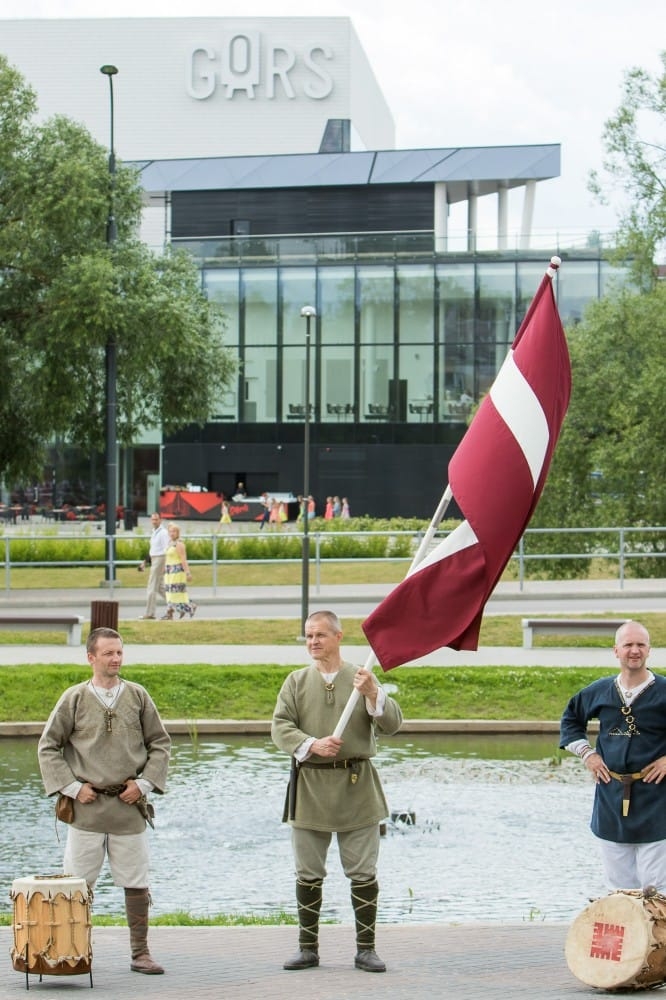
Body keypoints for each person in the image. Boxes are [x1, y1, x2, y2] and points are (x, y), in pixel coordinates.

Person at [271, 610, 402, 974]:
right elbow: (280, 727)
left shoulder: (361, 679)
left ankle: (366, 949)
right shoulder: (296, 682)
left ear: (338, 637)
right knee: (308, 872)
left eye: (320, 635)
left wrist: (374, 694)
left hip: (356, 787)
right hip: (310, 787)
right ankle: (307, 948)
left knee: (363, 872)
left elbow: (392, 724)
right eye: (308, 636)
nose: (313, 642)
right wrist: (311, 744)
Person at [37, 627, 171, 976]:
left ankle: (140, 953)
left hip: (128, 807)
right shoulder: (75, 698)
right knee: (76, 885)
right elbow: (48, 746)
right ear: (91, 657)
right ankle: (71, 952)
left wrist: (143, 784)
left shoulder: (138, 696)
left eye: (119, 653)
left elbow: (160, 743)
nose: (115, 659)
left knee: (137, 881)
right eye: (108, 653)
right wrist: (70, 787)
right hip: (87, 809)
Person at [560, 620, 666, 892]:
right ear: (615, 651)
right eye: (628, 645)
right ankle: (627, 935)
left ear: (649, 650)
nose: (634, 650)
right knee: (618, 891)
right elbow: (570, 719)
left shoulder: (663, 691)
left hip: (657, 800)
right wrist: (588, 755)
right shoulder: (600, 691)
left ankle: (657, 936)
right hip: (611, 797)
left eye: (640, 645)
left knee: (656, 890)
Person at [138, 512, 169, 620]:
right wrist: (144, 562)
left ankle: (150, 613)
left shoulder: (163, 533)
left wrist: (165, 565)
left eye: (156, 519)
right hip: (155, 558)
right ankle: (178, 604)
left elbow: (167, 549)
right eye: (152, 520)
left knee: (151, 587)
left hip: (160, 559)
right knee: (161, 588)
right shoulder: (154, 532)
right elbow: (153, 550)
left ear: (160, 520)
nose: (154, 521)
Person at [163, 523, 197, 620]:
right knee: (169, 593)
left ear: (178, 533)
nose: (172, 533)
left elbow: (183, 559)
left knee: (176, 593)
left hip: (177, 572)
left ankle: (185, 608)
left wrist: (188, 573)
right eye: (170, 531)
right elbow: (167, 558)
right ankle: (176, 611)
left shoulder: (179, 544)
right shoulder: (170, 543)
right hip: (169, 572)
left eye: (174, 531)